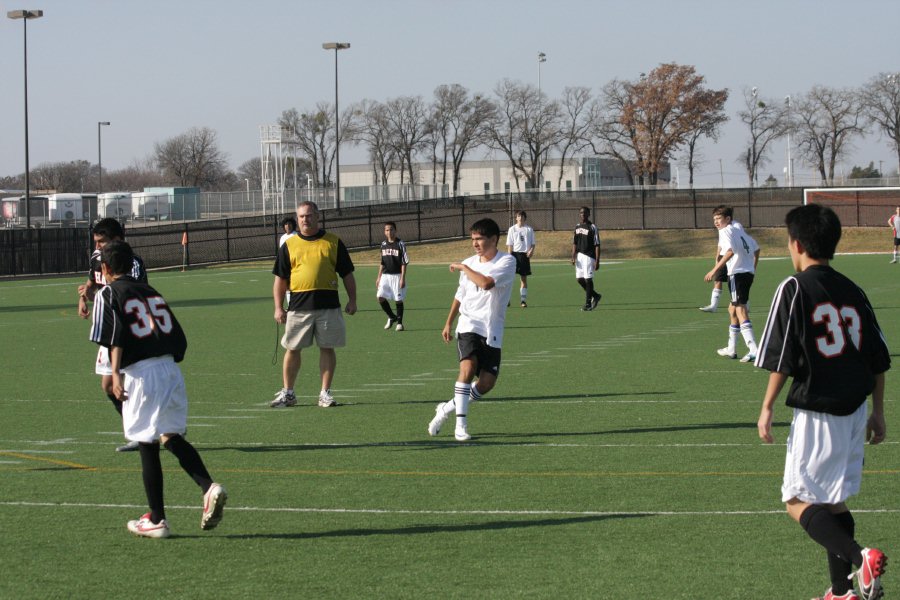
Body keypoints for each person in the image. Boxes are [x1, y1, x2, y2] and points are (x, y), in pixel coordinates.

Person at [755, 204, 889, 600]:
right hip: (855, 409)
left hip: (819, 411)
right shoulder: (853, 289)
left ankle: (860, 557)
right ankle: (841, 591)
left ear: (796, 244)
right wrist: (879, 412)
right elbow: (879, 357)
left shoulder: (793, 287)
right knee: (832, 501)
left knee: (796, 501)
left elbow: (782, 357)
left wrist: (766, 407)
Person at [90, 240, 226, 539]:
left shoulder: (108, 292)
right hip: (170, 370)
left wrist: (114, 373)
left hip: (142, 374)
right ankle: (209, 486)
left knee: (146, 443)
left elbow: (114, 336)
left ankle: (157, 519)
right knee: (171, 436)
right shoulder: (152, 291)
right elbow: (179, 339)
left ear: (106, 268)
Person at [427, 218, 516, 442]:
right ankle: (461, 426)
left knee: (486, 384)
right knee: (467, 368)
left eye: (480, 239)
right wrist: (448, 322)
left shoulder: (507, 261)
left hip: (492, 328)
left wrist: (464, 268)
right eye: (473, 239)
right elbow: (460, 295)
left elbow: (486, 283)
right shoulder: (468, 262)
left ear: (494, 239)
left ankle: (446, 408)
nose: (475, 243)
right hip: (468, 324)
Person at [270, 201, 357, 408]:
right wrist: (278, 307)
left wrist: (352, 300)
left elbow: (347, 274)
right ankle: (288, 393)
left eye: (309, 215)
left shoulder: (333, 242)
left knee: (327, 348)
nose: (305, 220)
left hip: (329, 306)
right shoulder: (289, 245)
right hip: (299, 307)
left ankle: (325, 393)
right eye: (301, 216)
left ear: (317, 216)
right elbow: (280, 280)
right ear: (297, 219)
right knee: (292, 348)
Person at [77, 217, 148, 453]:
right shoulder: (98, 259)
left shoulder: (132, 263)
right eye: (95, 242)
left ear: (117, 239)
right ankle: (139, 430)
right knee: (109, 385)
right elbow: (93, 283)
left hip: (127, 330)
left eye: (101, 242)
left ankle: (145, 430)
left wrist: (100, 295)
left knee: (128, 382)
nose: (97, 247)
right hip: (110, 328)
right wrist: (84, 296)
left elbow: (130, 292)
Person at [704, 205, 760, 362]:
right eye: (714, 219)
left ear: (728, 219)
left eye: (719, 219)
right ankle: (732, 348)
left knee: (740, 310)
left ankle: (753, 349)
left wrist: (714, 270)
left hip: (737, 274)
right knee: (732, 309)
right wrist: (752, 268)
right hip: (746, 273)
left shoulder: (726, 231)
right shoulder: (739, 230)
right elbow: (757, 249)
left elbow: (729, 251)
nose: (716, 222)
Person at [700, 220, 748, 313]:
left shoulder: (736, 225)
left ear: (727, 217)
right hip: (723, 256)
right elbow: (720, 243)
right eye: (714, 219)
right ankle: (713, 306)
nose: (716, 221)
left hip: (733, 256)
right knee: (718, 279)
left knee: (737, 282)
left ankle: (744, 304)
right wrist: (717, 256)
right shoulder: (721, 228)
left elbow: (740, 241)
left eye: (718, 217)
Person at [376, 221, 409, 331]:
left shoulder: (400, 244)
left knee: (398, 299)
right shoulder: (383, 245)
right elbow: (382, 262)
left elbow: (404, 262)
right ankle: (391, 317)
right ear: (384, 232)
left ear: (395, 230)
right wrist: (378, 277)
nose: (389, 232)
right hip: (385, 275)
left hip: (397, 275)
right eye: (387, 230)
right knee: (380, 297)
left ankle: (399, 323)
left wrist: (402, 278)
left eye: (391, 229)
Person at [572, 206, 602, 311]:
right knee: (579, 279)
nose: (583, 214)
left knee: (588, 279)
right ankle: (596, 296)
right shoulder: (577, 226)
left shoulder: (592, 227)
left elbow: (597, 244)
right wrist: (573, 256)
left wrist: (597, 261)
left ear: (589, 214)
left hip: (589, 256)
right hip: (579, 256)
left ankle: (588, 303)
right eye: (581, 213)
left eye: (585, 213)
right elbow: (575, 243)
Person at [506, 210, 535, 308]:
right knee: (509, 279)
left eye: (522, 216)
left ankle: (523, 301)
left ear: (525, 218)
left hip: (524, 256)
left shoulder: (529, 229)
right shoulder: (512, 229)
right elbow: (510, 244)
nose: (520, 218)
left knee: (523, 279)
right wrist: (509, 257)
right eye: (519, 216)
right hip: (514, 255)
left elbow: (533, 244)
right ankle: (507, 300)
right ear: (516, 218)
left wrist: (531, 250)